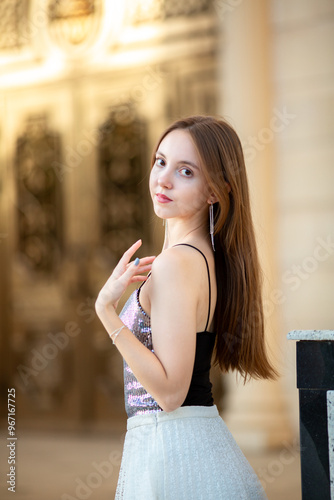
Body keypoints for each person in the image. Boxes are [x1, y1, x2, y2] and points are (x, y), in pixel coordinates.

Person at [95, 115, 278, 499]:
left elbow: (170, 393)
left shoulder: (177, 263)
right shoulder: (200, 257)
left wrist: (107, 315)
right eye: (160, 162)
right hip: (186, 443)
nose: (163, 179)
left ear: (215, 191)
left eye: (185, 171)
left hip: (174, 450)